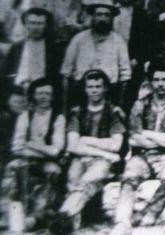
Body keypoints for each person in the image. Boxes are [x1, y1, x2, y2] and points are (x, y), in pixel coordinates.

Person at [111, 65, 165, 235]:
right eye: (156, 80)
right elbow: (133, 138)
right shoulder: (140, 105)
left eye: (164, 80)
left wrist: (146, 134)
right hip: (142, 156)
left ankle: (149, 212)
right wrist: (162, 139)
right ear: (151, 82)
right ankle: (122, 222)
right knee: (130, 177)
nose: (160, 84)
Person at [51, 69, 126, 233]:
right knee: (73, 179)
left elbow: (116, 145)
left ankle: (64, 215)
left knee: (87, 181)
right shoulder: (77, 112)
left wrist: (85, 140)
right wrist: (105, 152)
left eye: (98, 86)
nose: (94, 90)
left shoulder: (113, 112)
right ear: (85, 89)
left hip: (101, 162)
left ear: (105, 88)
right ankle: (72, 226)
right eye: (90, 87)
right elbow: (72, 145)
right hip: (84, 157)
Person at [2, 79, 65, 232]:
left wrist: (30, 144)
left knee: (52, 171)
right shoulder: (25, 116)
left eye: (47, 93)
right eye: (40, 93)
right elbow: (16, 147)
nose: (43, 97)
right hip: (26, 159)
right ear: (33, 95)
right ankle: (8, 215)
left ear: (53, 96)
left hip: (49, 162)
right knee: (13, 168)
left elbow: (56, 150)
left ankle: (36, 217)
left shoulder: (58, 118)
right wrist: (43, 149)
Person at [60, 0, 131, 109]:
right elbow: (66, 73)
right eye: (99, 14)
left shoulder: (118, 41)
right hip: (81, 93)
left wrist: (119, 106)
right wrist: (65, 108)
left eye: (107, 15)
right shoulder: (79, 39)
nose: (102, 19)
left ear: (111, 18)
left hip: (109, 94)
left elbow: (125, 76)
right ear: (92, 16)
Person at [2, 7, 60, 99]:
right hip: (17, 93)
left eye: (39, 23)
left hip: (41, 95)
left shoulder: (53, 49)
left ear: (45, 25)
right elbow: (4, 74)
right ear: (26, 24)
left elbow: (56, 79)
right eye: (32, 23)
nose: (35, 27)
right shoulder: (17, 47)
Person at [110, 0, 149, 110]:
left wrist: (137, 58)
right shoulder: (108, 12)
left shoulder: (142, 15)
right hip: (109, 63)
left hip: (132, 64)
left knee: (128, 101)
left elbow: (146, 42)